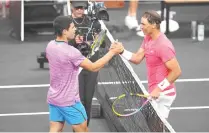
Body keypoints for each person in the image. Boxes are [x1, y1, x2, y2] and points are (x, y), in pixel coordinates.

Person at [46, 15, 123, 132]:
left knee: (55, 129)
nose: (75, 29)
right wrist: (112, 52)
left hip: (54, 98)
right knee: (83, 130)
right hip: (70, 101)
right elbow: (94, 67)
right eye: (72, 27)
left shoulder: (50, 46)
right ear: (64, 31)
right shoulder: (71, 52)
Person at [117, 10, 182, 119]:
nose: (140, 26)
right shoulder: (148, 38)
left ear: (153, 25)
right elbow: (137, 58)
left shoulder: (163, 45)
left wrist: (158, 89)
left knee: (157, 127)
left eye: (143, 24)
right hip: (154, 91)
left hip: (164, 94)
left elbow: (177, 71)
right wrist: (122, 51)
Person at [69, 0, 102, 127]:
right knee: (79, 100)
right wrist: (73, 41)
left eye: (82, 8)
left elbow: (101, 43)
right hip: (74, 68)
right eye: (77, 7)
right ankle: (78, 128)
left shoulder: (93, 22)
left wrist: (92, 43)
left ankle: (84, 128)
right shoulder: (66, 22)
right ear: (72, 6)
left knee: (88, 101)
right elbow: (60, 44)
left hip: (90, 64)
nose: (80, 10)